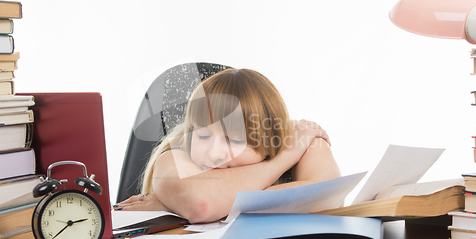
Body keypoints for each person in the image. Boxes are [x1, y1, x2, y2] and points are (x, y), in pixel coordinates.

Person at [116, 68, 341, 223]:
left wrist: (172, 204)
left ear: (271, 140)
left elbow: (328, 198)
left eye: (233, 140)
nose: (215, 154)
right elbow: (202, 203)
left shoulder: (301, 137)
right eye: (203, 136)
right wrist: (283, 161)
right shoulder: (176, 151)